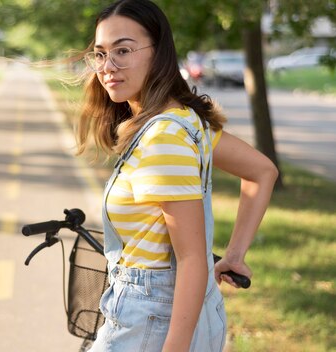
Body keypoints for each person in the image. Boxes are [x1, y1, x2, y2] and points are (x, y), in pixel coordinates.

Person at [74, 1, 279, 351]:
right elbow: (262, 171)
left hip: (149, 321)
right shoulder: (183, 119)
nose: (108, 67)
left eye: (123, 50)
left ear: (160, 54)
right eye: (101, 53)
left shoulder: (164, 137)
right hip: (180, 314)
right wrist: (234, 255)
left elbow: (191, 258)